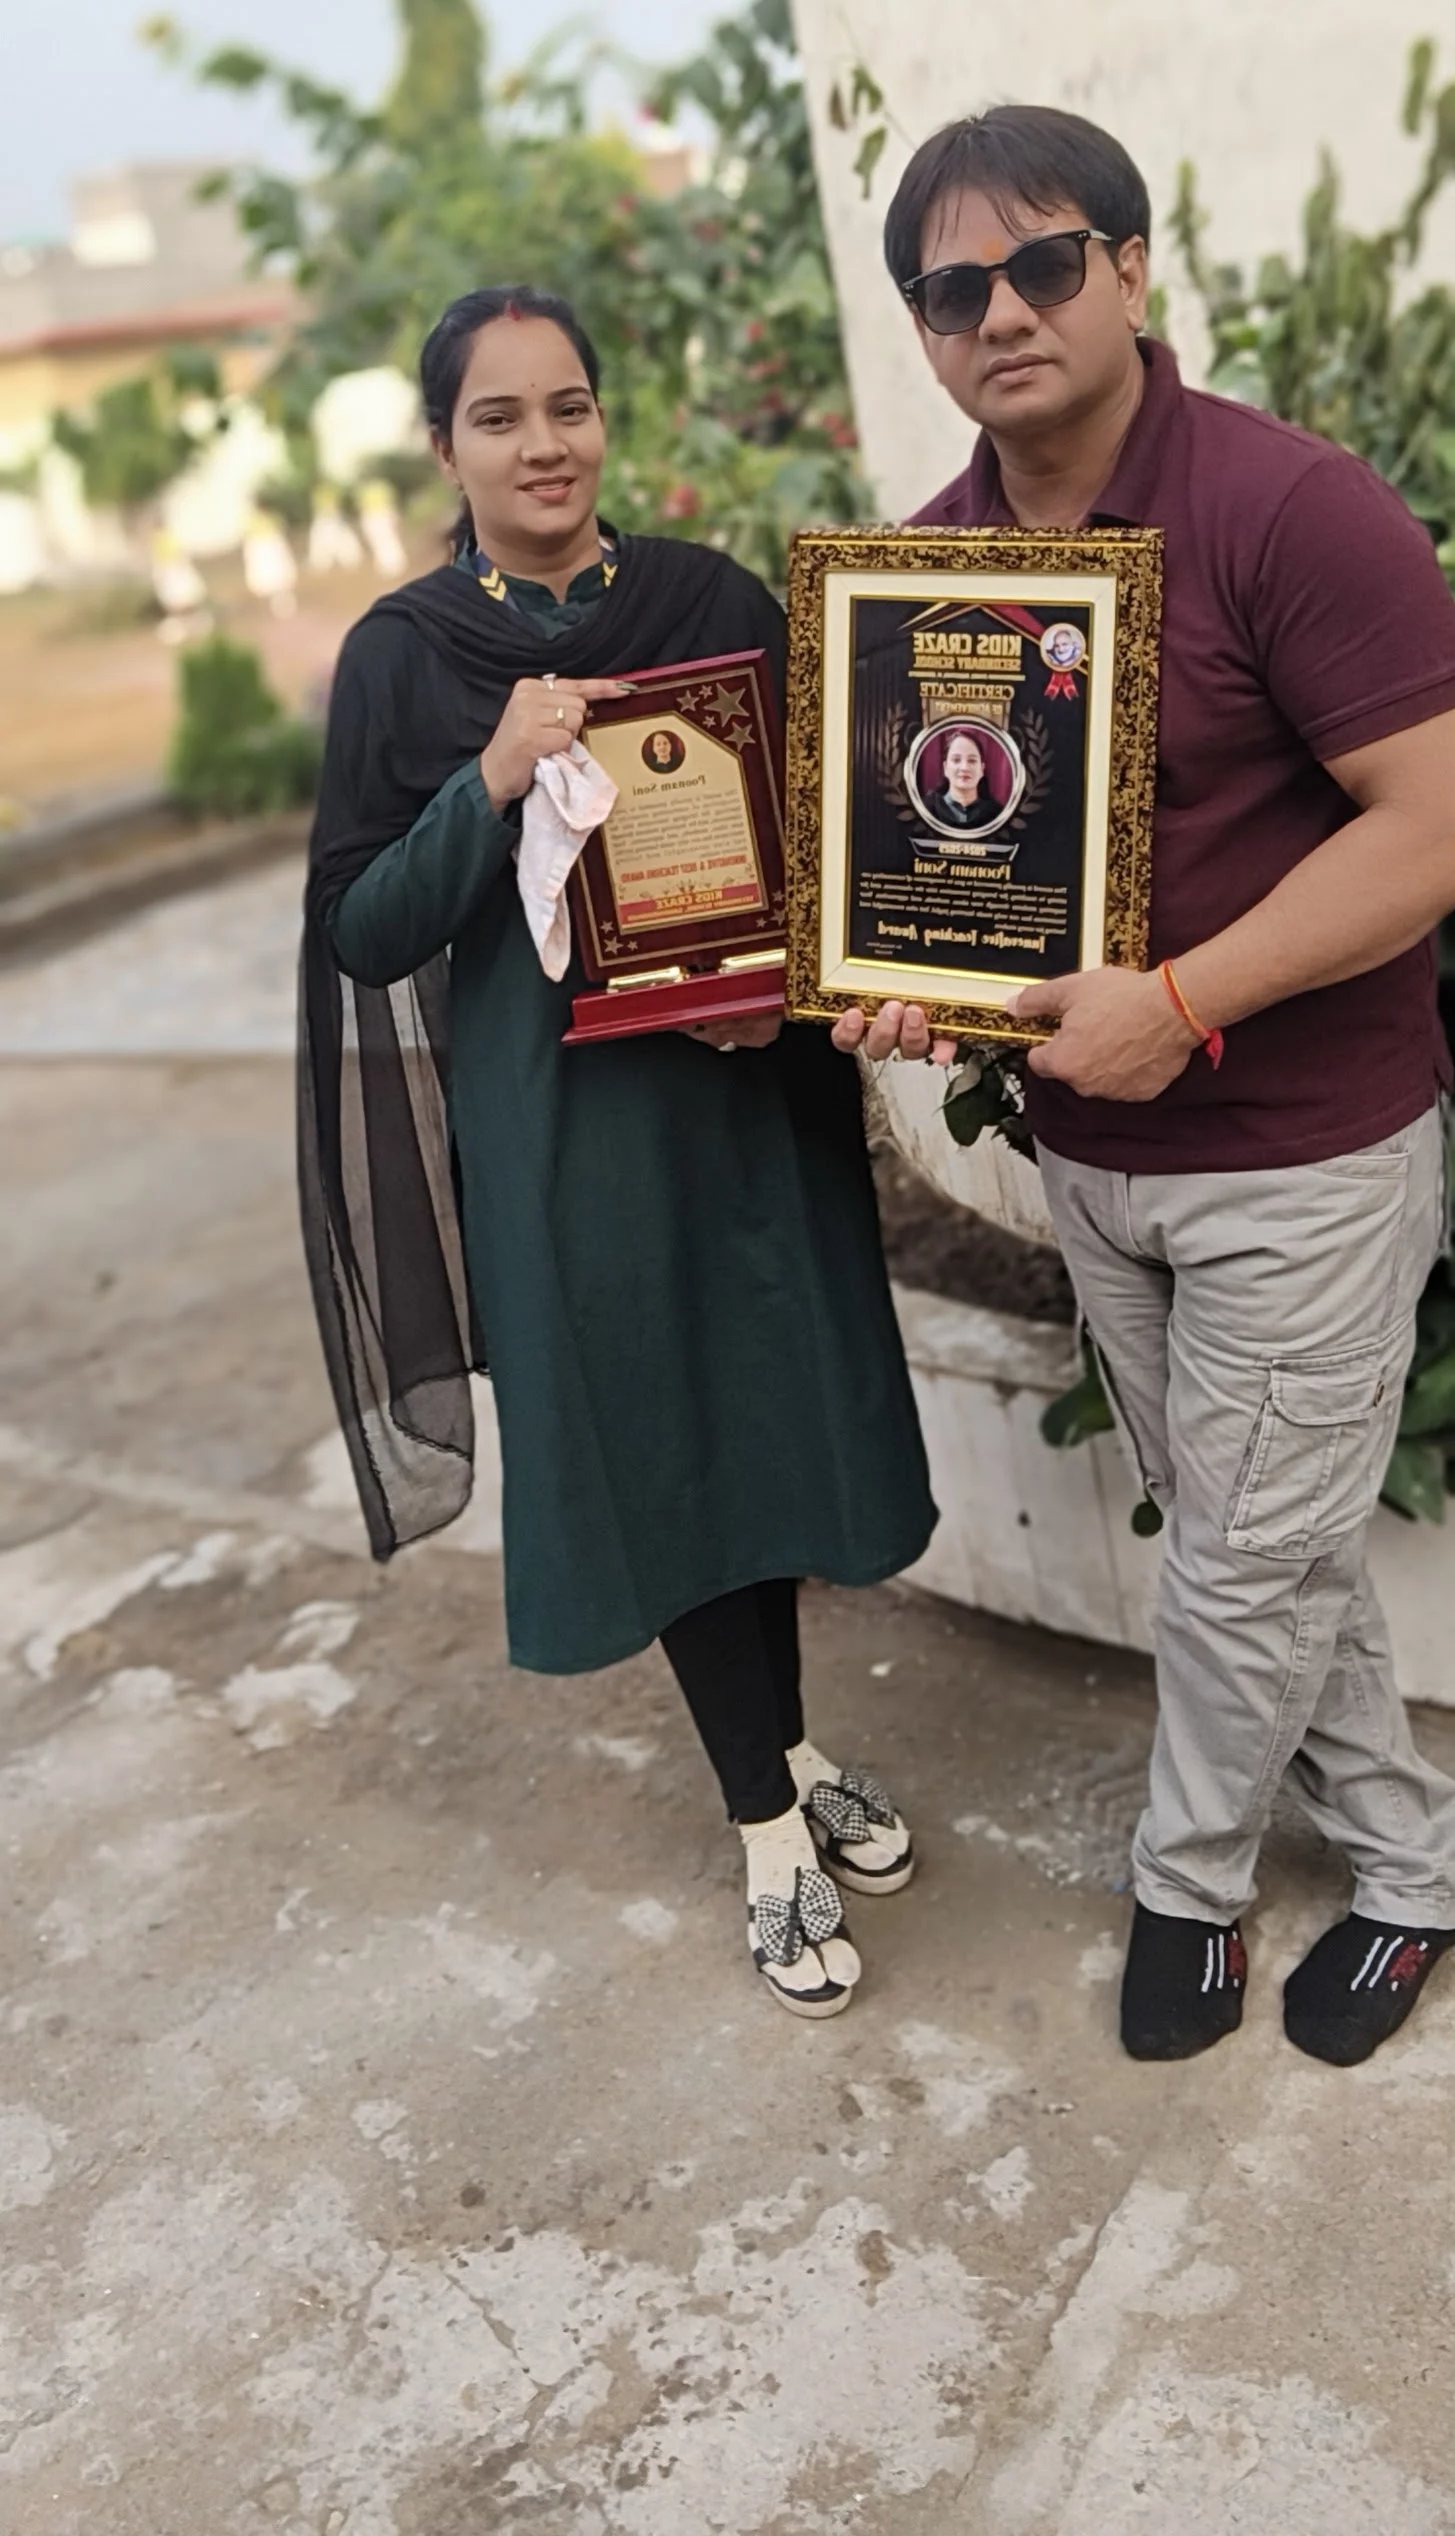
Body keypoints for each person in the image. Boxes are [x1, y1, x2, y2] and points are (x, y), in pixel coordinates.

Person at [833, 102, 1455, 2069]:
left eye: (1040, 264)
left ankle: (1184, 1891)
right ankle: (1414, 1858)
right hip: (1099, 1161)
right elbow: (962, 871)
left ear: (1127, 266)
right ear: (925, 331)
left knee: (1245, 1562)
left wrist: (1183, 999)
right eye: (953, 290)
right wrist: (913, 980)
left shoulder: (1291, 510)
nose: (1000, 313)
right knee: (1260, 1541)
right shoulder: (930, 574)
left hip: (1305, 1156)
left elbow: (1431, 825)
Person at [300, 281, 935, 2021]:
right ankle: (766, 1830)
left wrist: (783, 996)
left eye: (567, 405)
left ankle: (787, 1753)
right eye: (499, 417)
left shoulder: (707, 601)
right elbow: (362, 927)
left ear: (603, 418)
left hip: (742, 1104)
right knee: (658, 1443)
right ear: (444, 447)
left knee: (763, 1427)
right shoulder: (407, 657)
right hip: (567, 1135)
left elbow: (826, 841)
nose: (544, 444)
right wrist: (489, 779)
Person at [930, 728, 1000, 832]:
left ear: (982, 769)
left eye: (972, 760)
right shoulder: (926, 809)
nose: (964, 767)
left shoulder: (998, 815)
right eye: (956, 760)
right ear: (945, 768)